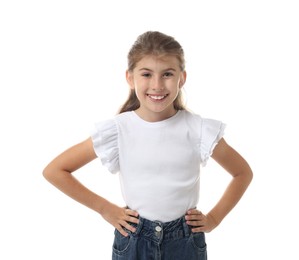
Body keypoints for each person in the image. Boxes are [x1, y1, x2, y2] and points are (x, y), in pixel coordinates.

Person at [43, 31, 253, 260]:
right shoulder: (118, 130)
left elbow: (242, 173)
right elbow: (55, 171)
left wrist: (214, 219)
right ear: (130, 78)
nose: (157, 85)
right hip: (134, 241)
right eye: (146, 74)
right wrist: (105, 209)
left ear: (181, 78)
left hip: (185, 242)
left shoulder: (198, 129)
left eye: (167, 74)